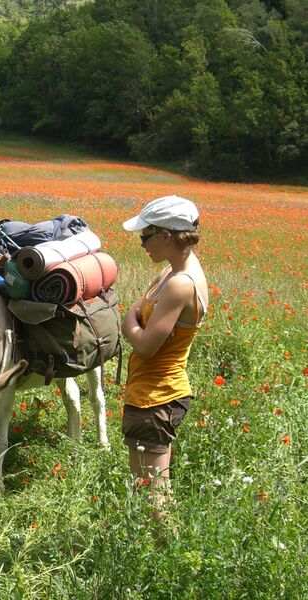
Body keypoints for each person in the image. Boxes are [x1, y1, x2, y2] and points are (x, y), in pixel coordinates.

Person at [120, 195, 208, 523]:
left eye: (145, 236)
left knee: (151, 490)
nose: (142, 244)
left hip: (157, 398)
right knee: (151, 485)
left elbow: (144, 345)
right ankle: (160, 548)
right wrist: (133, 321)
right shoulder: (171, 273)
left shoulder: (180, 284)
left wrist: (128, 322)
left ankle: (164, 557)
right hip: (152, 393)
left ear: (166, 235)